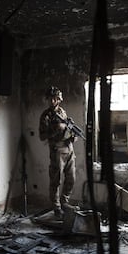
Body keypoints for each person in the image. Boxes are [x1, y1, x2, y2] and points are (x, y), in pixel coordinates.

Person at [39, 86, 78, 219]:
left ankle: (64, 202)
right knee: (56, 181)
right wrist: (56, 128)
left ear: (59, 99)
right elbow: (42, 136)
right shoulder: (46, 115)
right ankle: (56, 207)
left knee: (71, 179)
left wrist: (73, 135)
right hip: (57, 150)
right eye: (50, 98)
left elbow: (67, 128)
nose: (52, 101)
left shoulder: (62, 112)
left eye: (55, 98)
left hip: (69, 148)